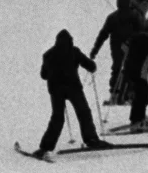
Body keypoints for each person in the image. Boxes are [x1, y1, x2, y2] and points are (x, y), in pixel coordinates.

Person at [32, 29, 109, 157]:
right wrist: (92, 67)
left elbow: (43, 75)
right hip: (73, 88)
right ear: (70, 41)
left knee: (57, 118)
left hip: (56, 91)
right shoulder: (74, 51)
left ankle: (45, 148)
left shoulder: (48, 55)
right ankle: (91, 139)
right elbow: (90, 65)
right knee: (83, 112)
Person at [88, 0, 142, 103]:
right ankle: (130, 94)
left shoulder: (112, 17)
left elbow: (103, 35)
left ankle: (114, 94)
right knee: (131, 69)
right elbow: (140, 32)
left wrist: (95, 50)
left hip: (116, 48)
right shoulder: (134, 16)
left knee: (117, 69)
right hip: (131, 47)